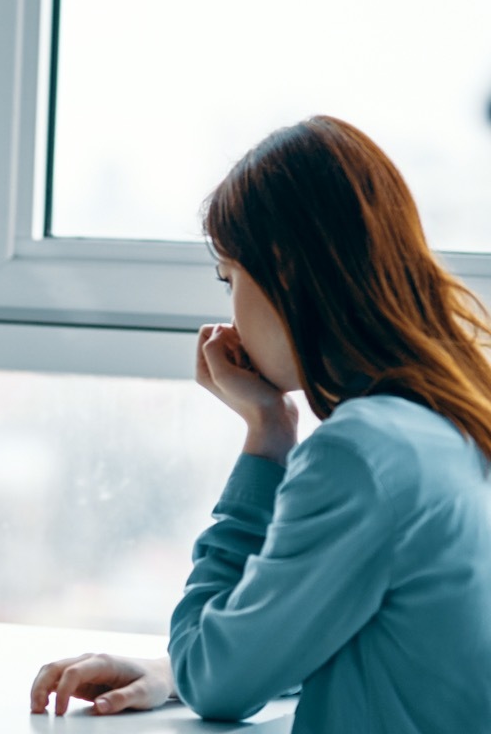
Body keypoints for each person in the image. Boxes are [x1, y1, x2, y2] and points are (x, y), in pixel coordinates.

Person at [30, 116, 491, 732]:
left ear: (286, 271)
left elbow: (216, 681)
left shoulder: (361, 454)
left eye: (230, 278)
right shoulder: (454, 424)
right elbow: (354, 627)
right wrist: (171, 672)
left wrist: (266, 436)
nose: (230, 312)